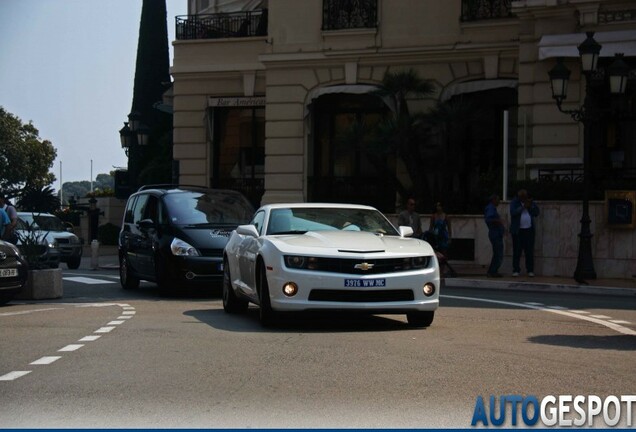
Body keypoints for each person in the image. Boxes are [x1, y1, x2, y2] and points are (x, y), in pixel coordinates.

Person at [509, 189, 540, 277]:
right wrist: (523, 207)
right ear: (519, 197)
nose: (523, 199)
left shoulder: (531, 202)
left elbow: (537, 213)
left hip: (529, 230)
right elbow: (513, 212)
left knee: (529, 251)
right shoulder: (514, 202)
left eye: (524, 197)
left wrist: (530, 206)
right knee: (517, 251)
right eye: (521, 197)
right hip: (518, 231)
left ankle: (530, 270)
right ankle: (516, 270)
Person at [484, 194, 505, 277]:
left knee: (497, 252)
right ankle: (492, 271)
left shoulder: (492, 208)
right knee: (498, 253)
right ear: (493, 200)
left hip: (496, 233)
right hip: (495, 233)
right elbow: (489, 219)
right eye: (498, 200)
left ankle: (493, 270)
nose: (499, 202)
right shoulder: (490, 208)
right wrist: (498, 221)